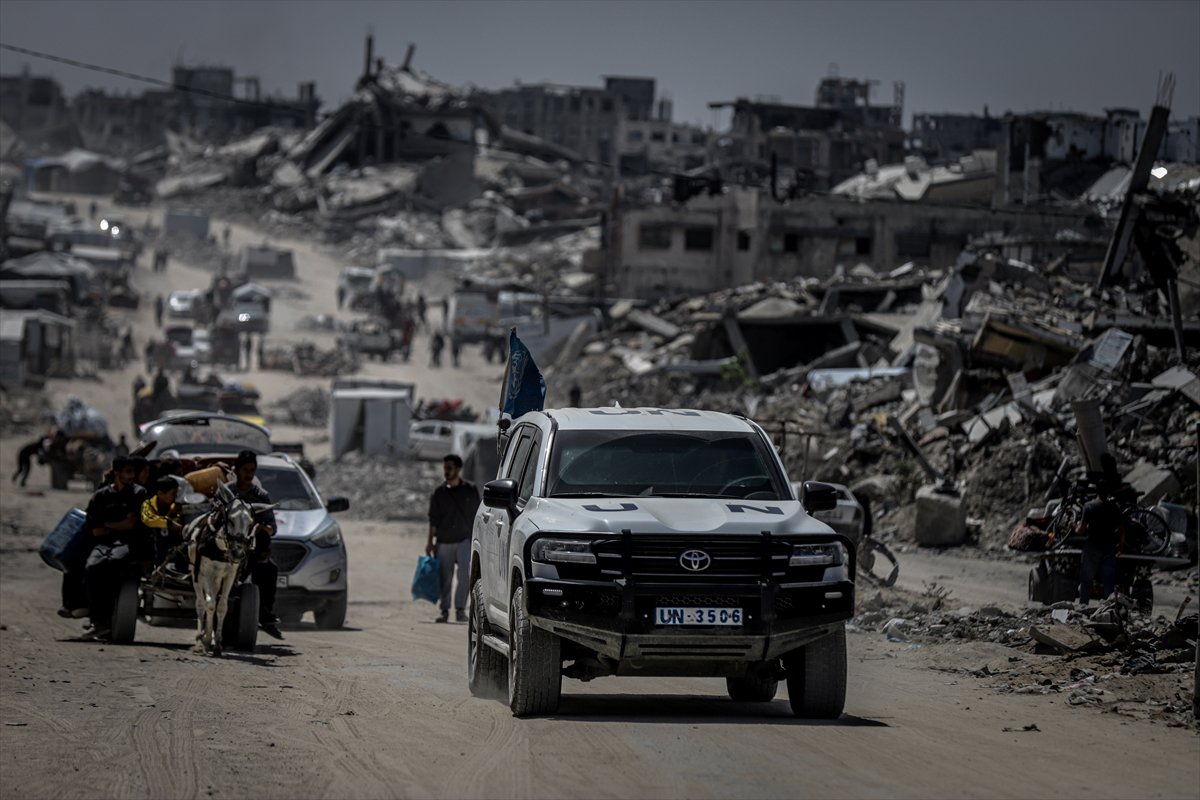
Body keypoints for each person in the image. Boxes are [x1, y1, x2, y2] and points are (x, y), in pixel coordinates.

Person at [64, 456, 148, 636]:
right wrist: (119, 525)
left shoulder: (139, 494)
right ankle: (97, 620)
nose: (131, 475)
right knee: (92, 567)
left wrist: (108, 525)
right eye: (128, 472)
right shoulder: (101, 497)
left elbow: (131, 525)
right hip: (104, 544)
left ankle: (108, 616)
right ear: (117, 473)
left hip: (129, 543)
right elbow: (96, 531)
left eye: (133, 471)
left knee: (114, 564)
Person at [225, 451, 283, 639]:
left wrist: (261, 528)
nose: (249, 474)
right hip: (225, 548)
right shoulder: (227, 492)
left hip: (250, 549)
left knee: (270, 570)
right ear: (236, 470)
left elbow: (272, 528)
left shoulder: (261, 495)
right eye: (245, 470)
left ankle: (265, 615)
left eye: (252, 470)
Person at [425, 454, 480, 623]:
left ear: (458, 469)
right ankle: (444, 611)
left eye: (449, 468)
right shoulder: (439, 493)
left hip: (464, 540)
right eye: (445, 468)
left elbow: (477, 516)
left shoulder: (470, 490)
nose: (446, 471)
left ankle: (460, 609)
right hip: (444, 541)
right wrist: (430, 543)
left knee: (464, 575)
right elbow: (433, 520)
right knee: (445, 577)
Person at [1076, 482, 1124, 606]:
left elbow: (1081, 530)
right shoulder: (1115, 507)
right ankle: (1109, 610)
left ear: (1096, 491)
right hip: (1109, 548)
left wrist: (1072, 526)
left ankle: (1083, 607)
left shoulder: (1089, 506)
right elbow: (1122, 529)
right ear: (1108, 492)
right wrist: (1121, 547)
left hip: (1092, 547)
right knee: (1109, 582)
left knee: (1087, 580)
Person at [141, 476, 182, 566]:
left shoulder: (175, 506)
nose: (175, 496)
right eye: (173, 493)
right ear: (160, 493)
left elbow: (178, 519)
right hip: (151, 543)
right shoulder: (148, 505)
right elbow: (148, 519)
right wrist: (168, 522)